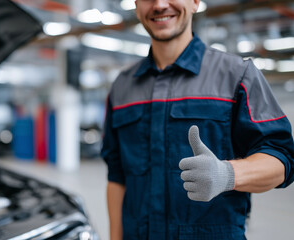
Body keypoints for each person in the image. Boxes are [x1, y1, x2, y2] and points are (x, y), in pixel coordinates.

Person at [100, 0, 294, 239]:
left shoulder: (237, 76)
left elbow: (281, 159)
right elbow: (116, 178)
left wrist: (228, 174)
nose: (160, 5)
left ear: (194, 2)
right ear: (137, 5)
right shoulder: (122, 87)